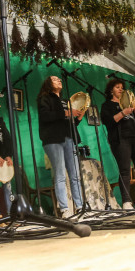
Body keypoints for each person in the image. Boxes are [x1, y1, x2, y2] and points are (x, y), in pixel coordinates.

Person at [101, 79, 135, 209]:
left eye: (122, 87)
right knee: (125, 171)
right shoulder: (107, 105)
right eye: (117, 87)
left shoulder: (129, 103)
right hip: (121, 140)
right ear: (111, 90)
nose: (120, 89)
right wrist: (123, 112)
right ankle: (126, 202)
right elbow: (108, 121)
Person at [37, 76, 84, 218]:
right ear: (48, 84)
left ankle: (80, 206)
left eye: (59, 79)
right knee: (60, 175)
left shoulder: (65, 101)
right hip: (53, 140)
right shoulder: (44, 98)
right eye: (55, 79)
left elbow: (69, 123)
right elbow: (45, 116)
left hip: (68, 138)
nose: (59, 81)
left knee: (75, 175)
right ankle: (65, 209)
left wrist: (77, 119)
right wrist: (66, 113)